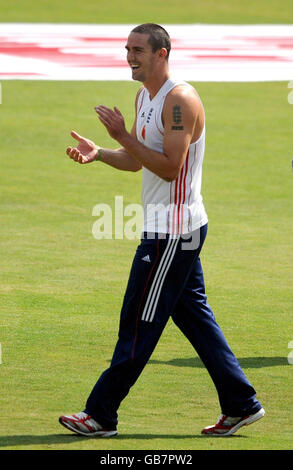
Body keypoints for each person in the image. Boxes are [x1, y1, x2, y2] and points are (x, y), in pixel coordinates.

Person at [59, 23, 265, 437]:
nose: (129, 56)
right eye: (127, 49)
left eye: (138, 50)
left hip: (173, 232)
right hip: (169, 229)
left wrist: (120, 134)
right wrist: (101, 153)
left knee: (139, 320)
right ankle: (241, 403)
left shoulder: (179, 100)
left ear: (162, 53)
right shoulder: (145, 96)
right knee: (195, 319)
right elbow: (139, 160)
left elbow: (170, 168)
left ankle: (100, 415)